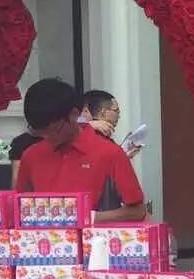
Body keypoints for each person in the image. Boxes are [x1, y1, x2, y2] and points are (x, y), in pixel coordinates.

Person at [14, 78, 146, 224]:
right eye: (39, 131)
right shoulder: (31, 155)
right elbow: (19, 208)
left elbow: (138, 211)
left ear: (74, 114)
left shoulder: (109, 153)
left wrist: (89, 217)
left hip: (94, 237)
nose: (47, 137)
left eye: (54, 129)